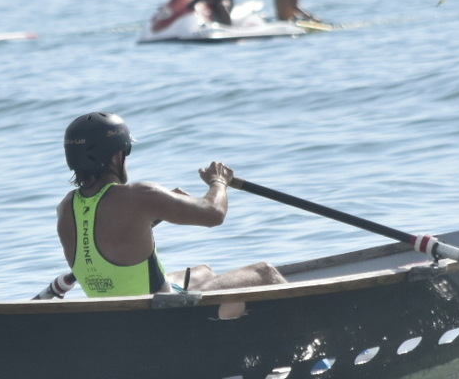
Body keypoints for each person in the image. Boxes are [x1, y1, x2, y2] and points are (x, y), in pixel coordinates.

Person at [47, 112, 286, 299]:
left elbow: (111, 244)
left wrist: (154, 214)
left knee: (204, 272)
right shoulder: (140, 195)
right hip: (159, 317)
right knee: (265, 272)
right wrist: (219, 182)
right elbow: (214, 214)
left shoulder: (66, 208)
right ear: (117, 156)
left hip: (116, 317)